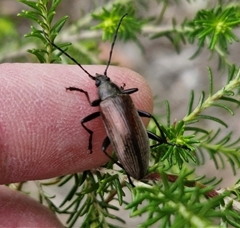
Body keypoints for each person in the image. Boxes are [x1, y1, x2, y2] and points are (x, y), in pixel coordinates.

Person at [0, 63, 153, 227]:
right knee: (145, 119)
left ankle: (128, 171)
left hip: (131, 146)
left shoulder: (106, 103)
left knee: (103, 148)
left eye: (101, 81)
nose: (100, 80)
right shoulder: (123, 97)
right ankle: (137, 163)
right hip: (133, 143)